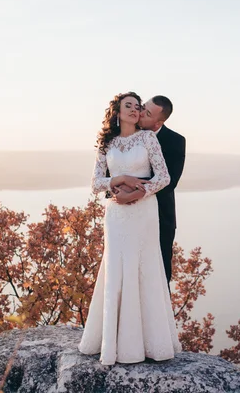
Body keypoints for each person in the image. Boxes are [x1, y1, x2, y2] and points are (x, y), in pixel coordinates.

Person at [78, 92, 182, 365]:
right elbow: (95, 183)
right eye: (130, 106)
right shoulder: (106, 144)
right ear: (117, 111)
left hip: (143, 212)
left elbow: (164, 177)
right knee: (116, 269)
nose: (136, 110)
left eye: (139, 107)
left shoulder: (148, 139)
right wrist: (120, 179)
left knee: (144, 268)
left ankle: (149, 343)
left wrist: (138, 193)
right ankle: (113, 341)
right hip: (115, 215)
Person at [110, 95, 186, 290]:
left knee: (159, 276)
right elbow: (113, 171)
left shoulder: (175, 141)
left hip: (159, 217)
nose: (140, 112)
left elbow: (169, 182)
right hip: (125, 217)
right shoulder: (121, 136)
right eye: (142, 107)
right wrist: (119, 192)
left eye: (148, 113)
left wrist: (133, 194)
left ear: (158, 122)